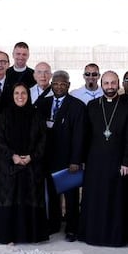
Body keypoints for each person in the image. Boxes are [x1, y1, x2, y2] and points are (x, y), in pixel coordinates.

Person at [79, 71, 128, 247]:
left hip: (117, 162)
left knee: (115, 200)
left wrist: (127, 161)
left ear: (118, 84)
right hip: (95, 161)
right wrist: (82, 158)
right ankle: (93, 235)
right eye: (106, 83)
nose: (110, 87)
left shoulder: (126, 107)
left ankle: (114, 237)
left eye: (113, 83)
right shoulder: (93, 106)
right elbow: (85, 135)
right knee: (95, 198)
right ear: (101, 84)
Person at [0, 83, 49, 244]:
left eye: (23, 93)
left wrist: (31, 157)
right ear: (12, 95)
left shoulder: (37, 115)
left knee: (28, 197)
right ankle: (7, 236)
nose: (20, 96)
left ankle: (29, 236)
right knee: (10, 198)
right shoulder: (4, 116)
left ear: (28, 96)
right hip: (8, 166)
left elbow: (42, 141)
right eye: (17, 93)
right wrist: (13, 156)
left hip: (31, 166)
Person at [36, 70, 86, 241]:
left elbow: (80, 135)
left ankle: (72, 228)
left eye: (62, 84)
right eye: (55, 84)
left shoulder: (77, 106)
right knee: (52, 193)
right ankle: (54, 224)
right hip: (48, 158)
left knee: (71, 196)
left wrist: (75, 160)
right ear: (51, 85)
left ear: (68, 85)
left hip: (68, 160)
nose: (59, 87)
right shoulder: (43, 103)